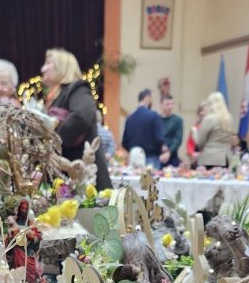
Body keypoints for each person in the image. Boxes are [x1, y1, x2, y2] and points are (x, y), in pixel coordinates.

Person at [41, 48, 111, 189]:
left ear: (62, 67)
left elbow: (81, 116)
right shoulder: (56, 96)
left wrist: (55, 141)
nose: (43, 69)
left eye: (48, 64)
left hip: (84, 175)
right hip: (67, 177)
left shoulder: (78, 88)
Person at [121, 89, 168, 168]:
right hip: (151, 159)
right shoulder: (154, 116)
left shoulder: (129, 119)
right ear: (147, 98)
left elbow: (124, 142)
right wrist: (163, 150)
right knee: (150, 176)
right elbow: (159, 139)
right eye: (152, 100)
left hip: (134, 160)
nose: (152, 103)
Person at [192, 91, 235, 169]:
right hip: (227, 158)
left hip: (210, 159)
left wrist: (195, 133)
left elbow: (200, 142)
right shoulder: (229, 119)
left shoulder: (209, 118)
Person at [160, 95, 183, 167]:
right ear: (161, 105)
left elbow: (178, 139)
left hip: (172, 156)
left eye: (172, 104)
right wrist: (160, 145)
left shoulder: (177, 120)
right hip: (159, 156)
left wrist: (169, 152)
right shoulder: (156, 119)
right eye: (167, 104)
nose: (170, 107)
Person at [185, 100, 205, 165]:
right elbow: (189, 143)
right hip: (196, 158)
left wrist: (201, 154)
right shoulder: (194, 127)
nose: (203, 113)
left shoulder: (212, 127)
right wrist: (192, 153)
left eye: (205, 110)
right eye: (201, 110)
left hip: (208, 158)